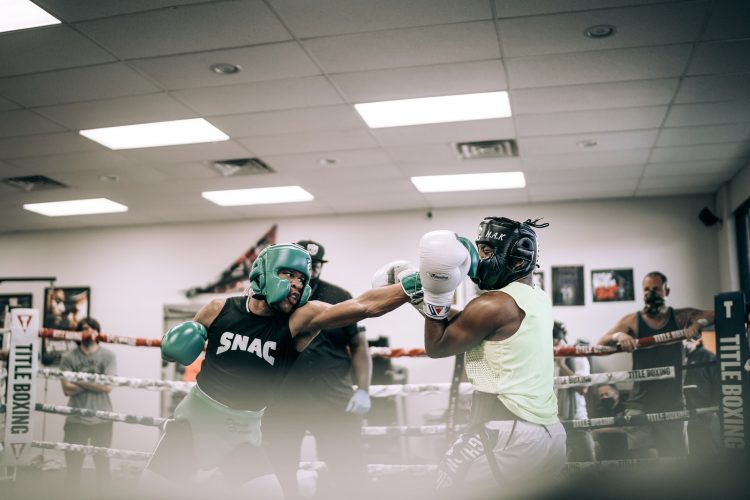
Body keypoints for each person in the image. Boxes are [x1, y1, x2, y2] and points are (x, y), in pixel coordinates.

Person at [140, 243, 410, 498]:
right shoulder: (217, 309)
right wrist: (172, 347)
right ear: (264, 273)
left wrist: (413, 286)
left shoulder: (300, 319)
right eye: (289, 274)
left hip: (244, 435)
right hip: (193, 425)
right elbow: (175, 355)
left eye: (302, 279)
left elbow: (363, 306)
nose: (297, 284)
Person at [381, 218, 567, 498]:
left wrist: (434, 292)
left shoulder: (494, 304)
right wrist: (422, 298)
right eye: (479, 250)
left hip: (507, 433)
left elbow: (437, 346)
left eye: (488, 252)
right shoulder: (535, 297)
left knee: (445, 492)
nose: (478, 261)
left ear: (517, 260)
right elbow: (470, 324)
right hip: (548, 433)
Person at [265, 240, 372, 500]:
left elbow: (359, 346)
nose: (311, 270)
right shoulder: (276, 298)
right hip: (284, 399)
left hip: (333, 397)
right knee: (279, 469)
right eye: (306, 264)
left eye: (316, 265)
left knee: (348, 467)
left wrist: (363, 390)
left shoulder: (339, 297)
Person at [597, 271, 714, 458]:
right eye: (646, 289)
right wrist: (620, 335)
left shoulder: (680, 317)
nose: (650, 293)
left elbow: (714, 314)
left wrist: (697, 324)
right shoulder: (632, 321)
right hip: (640, 402)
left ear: (667, 291)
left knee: (676, 461)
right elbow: (601, 343)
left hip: (672, 402)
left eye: (656, 289)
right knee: (643, 463)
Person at [59, 317, 117, 491]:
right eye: (85, 328)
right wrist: (95, 383)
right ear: (79, 333)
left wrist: (78, 380)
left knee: (102, 467)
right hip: (76, 419)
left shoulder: (108, 356)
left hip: (102, 418)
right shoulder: (68, 357)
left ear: (98, 333)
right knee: (73, 469)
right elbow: (67, 389)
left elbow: (107, 387)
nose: (89, 332)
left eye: (93, 329)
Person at [553, 321, 595, 462]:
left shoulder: (577, 356)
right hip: (551, 424)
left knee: (587, 466)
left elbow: (583, 389)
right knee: (554, 470)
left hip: (576, 421)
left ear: (559, 341)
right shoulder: (542, 358)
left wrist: (562, 365)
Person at [683, 337, 720, 460]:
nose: (684, 343)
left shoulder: (708, 356)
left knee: (708, 450)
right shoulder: (678, 357)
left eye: (686, 339)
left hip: (704, 413)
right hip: (683, 413)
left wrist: (713, 408)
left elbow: (718, 384)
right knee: (690, 452)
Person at [590, 384, 629, 460]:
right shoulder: (599, 411)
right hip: (605, 450)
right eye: (601, 395)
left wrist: (603, 430)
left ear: (616, 394)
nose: (604, 397)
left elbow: (629, 429)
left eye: (607, 394)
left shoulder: (626, 408)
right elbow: (594, 433)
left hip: (625, 447)